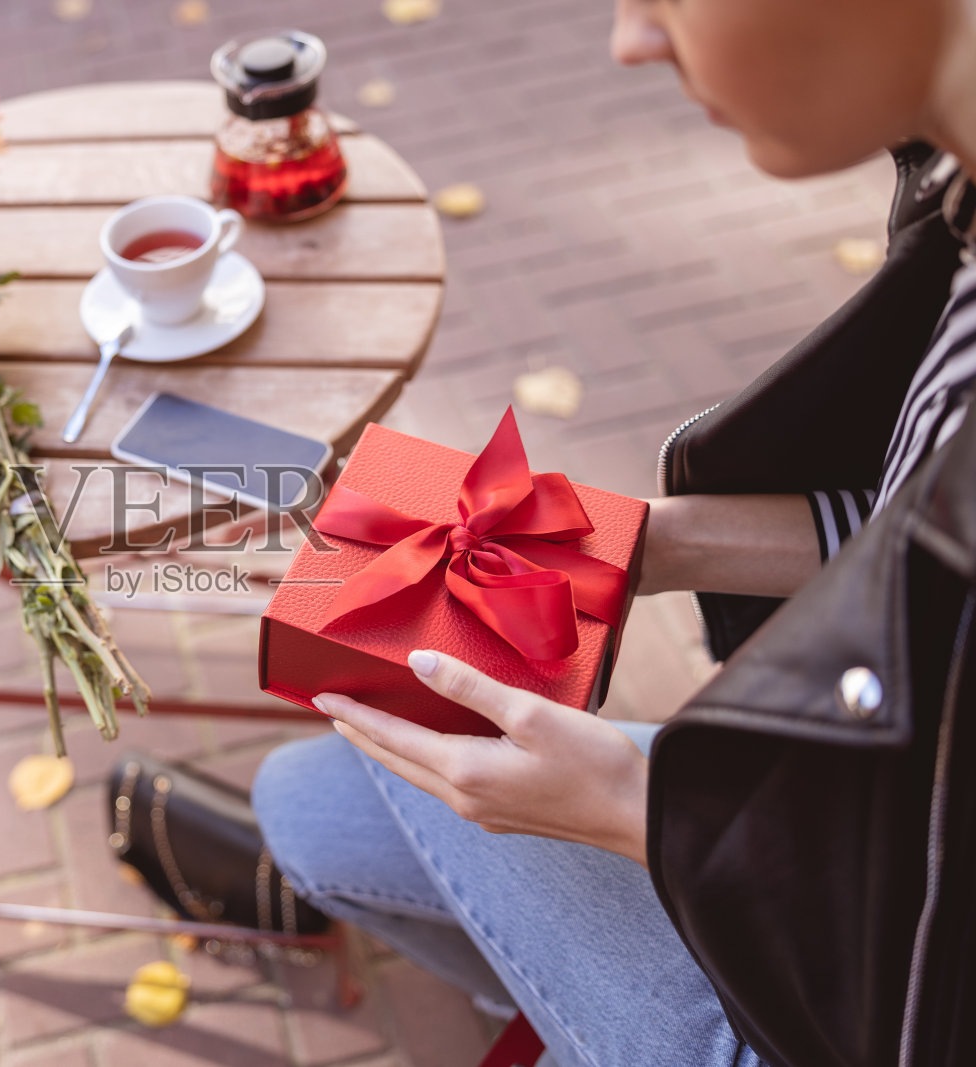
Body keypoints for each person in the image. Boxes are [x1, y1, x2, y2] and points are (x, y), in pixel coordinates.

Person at [252, 1, 976, 1065]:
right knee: (302, 808)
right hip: (831, 831)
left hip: (860, 1002)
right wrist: (643, 543)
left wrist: (634, 809)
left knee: (400, 767)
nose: (630, 40)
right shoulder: (962, 218)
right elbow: (921, 546)